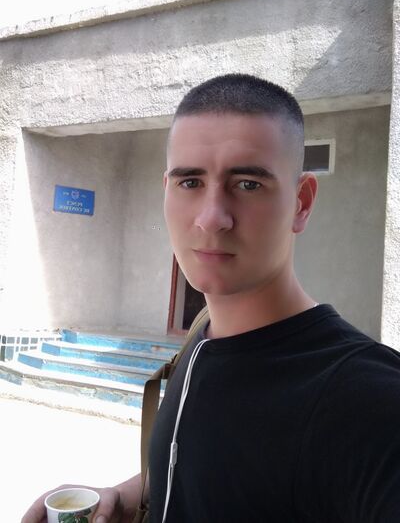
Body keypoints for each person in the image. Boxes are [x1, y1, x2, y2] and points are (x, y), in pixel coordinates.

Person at [22, 74, 400, 523]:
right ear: (166, 190)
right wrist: (122, 497)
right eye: (190, 183)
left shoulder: (367, 400)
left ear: (301, 203)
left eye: (248, 184)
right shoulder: (204, 335)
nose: (212, 218)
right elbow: (201, 464)